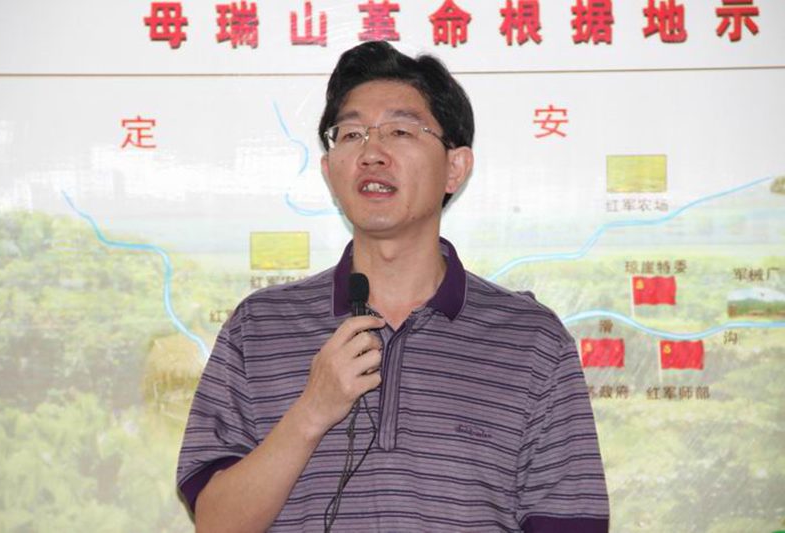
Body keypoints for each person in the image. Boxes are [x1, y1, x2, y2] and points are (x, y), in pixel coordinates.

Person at [177, 41, 609, 532]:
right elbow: (216, 523)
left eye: (400, 131)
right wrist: (312, 411)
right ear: (329, 171)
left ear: (455, 167)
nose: (371, 154)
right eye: (351, 134)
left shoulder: (532, 340)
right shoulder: (259, 327)